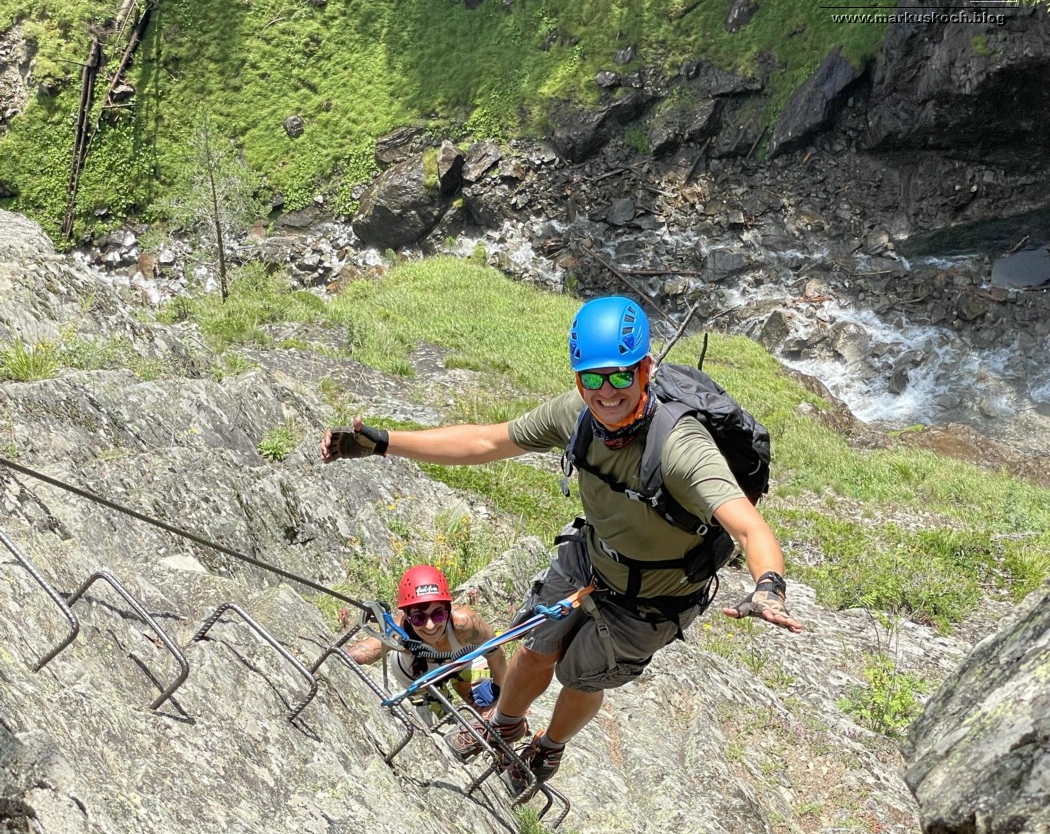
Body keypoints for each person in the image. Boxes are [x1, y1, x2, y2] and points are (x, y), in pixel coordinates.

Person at [322, 295, 801, 793]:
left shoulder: (680, 447)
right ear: (578, 379)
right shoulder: (577, 414)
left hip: (653, 599)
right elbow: (485, 442)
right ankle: (503, 724)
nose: (606, 391)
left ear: (645, 369)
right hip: (590, 559)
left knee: (580, 675)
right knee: (536, 648)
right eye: (592, 377)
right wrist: (384, 443)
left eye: (620, 376)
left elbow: (750, 527)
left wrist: (769, 585)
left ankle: (549, 747)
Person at [345, 564, 507, 758]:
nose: (430, 626)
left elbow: (497, 655)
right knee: (441, 729)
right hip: (417, 677)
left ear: (448, 610)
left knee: (488, 708)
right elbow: (362, 652)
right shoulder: (399, 632)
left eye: (438, 614)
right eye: (419, 618)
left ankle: (503, 756)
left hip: (462, 663)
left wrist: (500, 694)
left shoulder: (466, 623)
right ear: (407, 617)